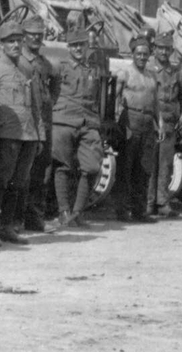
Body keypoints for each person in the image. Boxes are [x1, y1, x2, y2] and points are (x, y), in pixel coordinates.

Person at [0, 20, 43, 246]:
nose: (16, 45)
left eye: (19, 40)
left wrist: (39, 135)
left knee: (18, 183)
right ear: (2, 45)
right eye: (11, 41)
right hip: (6, 135)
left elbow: (34, 105)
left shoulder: (27, 69)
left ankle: (7, 227)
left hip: (27, 135)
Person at [49, 28, 104, 230]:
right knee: (62, 166)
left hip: (87, 123)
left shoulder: (93, 70)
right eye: (74, 45)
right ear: (68, 47)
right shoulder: (60, 68)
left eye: (81, 44)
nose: (78, 48)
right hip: (63, 120)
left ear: (87, 45)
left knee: (92, 167)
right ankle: (64, 212)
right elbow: (51, 92)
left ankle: (78, 212)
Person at [112, 37, 159, 222]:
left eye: (145, 54)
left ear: (149, 56)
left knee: (143, 170)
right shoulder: (125, 73)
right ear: (132, 54)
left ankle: (140, 211)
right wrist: (118, 121)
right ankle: (122, 211)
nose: (141, 57)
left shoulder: (151, 76)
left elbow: (155, 102)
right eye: (138, 53)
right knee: (125, 169)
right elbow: (115, 98)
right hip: (130, 123)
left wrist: (159, 123)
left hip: (147, 124)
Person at [20, 17, 58, 231]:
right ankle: (16, 219)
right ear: (24, 36)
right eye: (32, 34)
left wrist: (50, 101)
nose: (36, 37)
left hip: (44, 122)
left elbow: (55, 83)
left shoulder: (44, 63)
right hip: (26, 122)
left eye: (39, 34)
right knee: (23, 172)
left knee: (42, 173)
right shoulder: (19, 61)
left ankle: (35, 218)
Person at [149, 33, 182, 218]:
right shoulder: (148, 68)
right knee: (149, 164)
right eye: (160, 48)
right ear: (154, 48)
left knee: (165, 164)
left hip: (170, 123)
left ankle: (162, 202)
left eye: (167, 48)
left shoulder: (176, 71)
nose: (164, 52)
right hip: (152, 123)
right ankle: (148, 203)